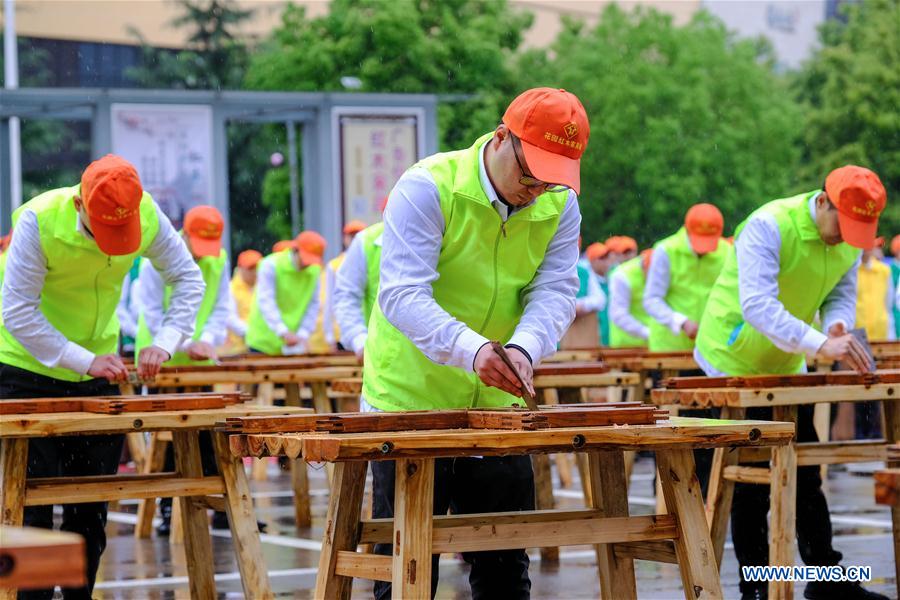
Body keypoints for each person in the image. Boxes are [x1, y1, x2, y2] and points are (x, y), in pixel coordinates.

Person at [363, 87, 588, 598]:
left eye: (554, 178)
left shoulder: (560, 202)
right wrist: (472, 349)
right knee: (407, 571)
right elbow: (401, 293)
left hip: (498, 403)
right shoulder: (428, 186)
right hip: (410, 399)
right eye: (530, 175)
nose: (537, 190)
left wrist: (525, 350)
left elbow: (555, 289)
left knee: (506, 564)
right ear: (502, 137)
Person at [0, 154, 204, 598]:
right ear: (80, 206)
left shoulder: (147, 211)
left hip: (99, 369)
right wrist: (81, 359)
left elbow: (188, 278)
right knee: (31, 508)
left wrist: (166, 340)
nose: (110, 244)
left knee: (90, 507)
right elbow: (16, 311)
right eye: (101, 232)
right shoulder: (40, 220)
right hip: (26, 368)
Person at [694, 165, 889, 600]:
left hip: (786, 360)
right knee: (748, 484)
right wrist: (821, 344)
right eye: (844, 225)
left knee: (806, 475)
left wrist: (837, 325)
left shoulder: (849, 241)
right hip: (731, 359)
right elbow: (757, 305)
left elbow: (841, 292)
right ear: (823, 202)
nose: (847, 239)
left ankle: (828, 582)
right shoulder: (769, 225)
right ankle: (757, 590)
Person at [135, 205, 230, 366]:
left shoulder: (219, 260)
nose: (203, 253)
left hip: (200, 361)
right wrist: (187, 345)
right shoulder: (154, 260)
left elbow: (221, 306)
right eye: (199, 243)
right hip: (157, 356)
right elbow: (153, 314)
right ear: (185, 234)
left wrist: (207, 340)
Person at [644, 203, 728, 352]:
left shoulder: (728, 251)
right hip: (669, 347)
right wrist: (681, 322)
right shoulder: (666, 250)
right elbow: (652, 300)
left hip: (711, 348)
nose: (703, 249)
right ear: (686, 230)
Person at [245, 231, 325, 355]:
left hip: (293, 345)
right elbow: (266, 301)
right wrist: (282, 331)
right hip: (263, 342)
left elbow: (313, 304)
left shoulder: (314, 270)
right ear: (295, 250)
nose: (306, 264)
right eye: (305, 259)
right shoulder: (270, 264)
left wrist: (303, 333)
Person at [310, 220, 368, 353]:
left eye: (357, 235)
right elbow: (329, 302)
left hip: (367, 332)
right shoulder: (334, 265)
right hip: (341, 334)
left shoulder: (371, 258)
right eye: (351, 235)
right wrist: (330, 337)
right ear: (345, 238)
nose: (354, 239)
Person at [334, 221, 385, 358]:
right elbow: (344, 296)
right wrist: (359, 339)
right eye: (349, 235)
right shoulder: (365, 242)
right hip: (378, 353)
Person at [221, 249, 262, 356]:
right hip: (235, 351)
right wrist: (252, 333)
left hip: (260, 347)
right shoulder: (230, 288)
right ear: (240, 268)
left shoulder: (263, 287)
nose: (255, 272)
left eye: (257, 268)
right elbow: (230, 318)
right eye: (250, 268)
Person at [609, 248, 653, 347]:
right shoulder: (622, 276)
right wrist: (648, 333)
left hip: (656, 344)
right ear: (645, 267)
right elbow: (618, 315)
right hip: (627, 346)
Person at [586, 241, 613, 345]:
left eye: (607, 257)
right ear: (592, 261)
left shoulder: (613, 279)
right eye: (601, 258)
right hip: (592, 338)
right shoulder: (586, 280)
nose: (606, 261)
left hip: (610, 338)